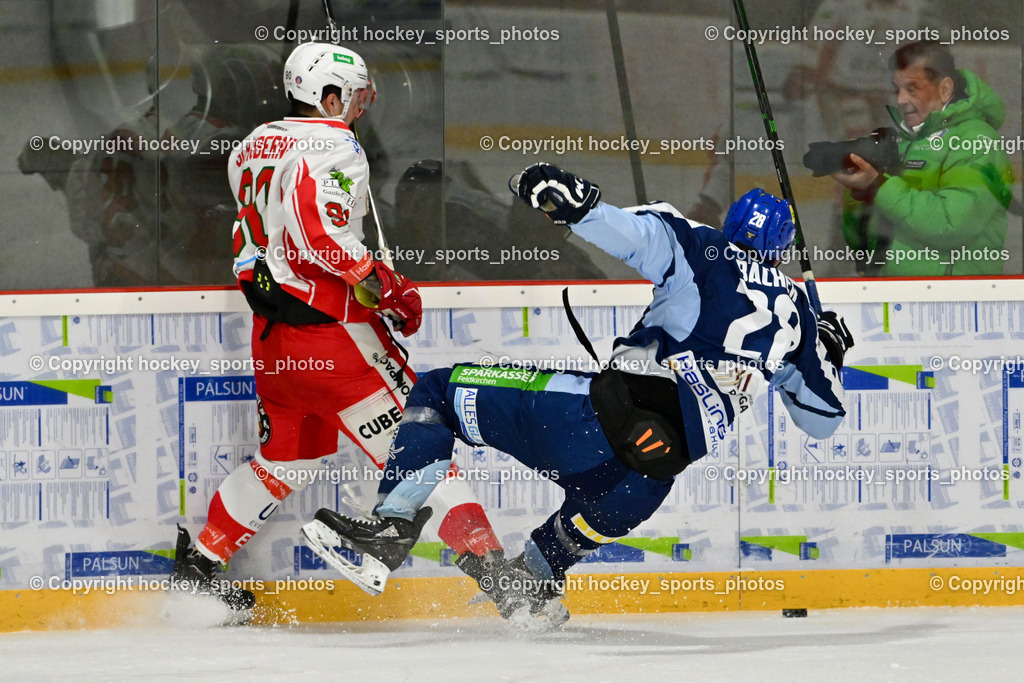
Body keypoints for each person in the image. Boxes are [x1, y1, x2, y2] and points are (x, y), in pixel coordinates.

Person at [301, 162, 853, 629]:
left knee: (438, 392)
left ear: (730, 225)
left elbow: (632, 235)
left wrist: (574, 207)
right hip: (639, 489)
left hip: (592, 424)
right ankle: (531, 589)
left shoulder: (699, 246)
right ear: (782, 251)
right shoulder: (797, 320)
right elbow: (824, 421)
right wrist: (828, 351)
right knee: (553, 550)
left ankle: (394, 524)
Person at [170, 42, 506, 617]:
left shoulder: (251, 146)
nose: (359, 109)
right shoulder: (334, 142)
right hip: (334, 338)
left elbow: (280, 237)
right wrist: (387, 286)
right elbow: (318, 240)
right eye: (351, 97)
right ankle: (508, 585)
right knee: (424, 453)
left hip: (275, 343)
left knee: (284, 464)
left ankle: (198, 569)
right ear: (327, 96)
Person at [830, 41, 1014, 276]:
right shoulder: (904, 141)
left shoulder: (977, 141)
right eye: (897, 90)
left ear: (945, 89)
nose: (901, 100)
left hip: (950, 303)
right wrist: (859, 193)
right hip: (895, 298)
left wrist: (879, 186)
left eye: (912, 89)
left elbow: (950, 226)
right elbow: (863, 244)